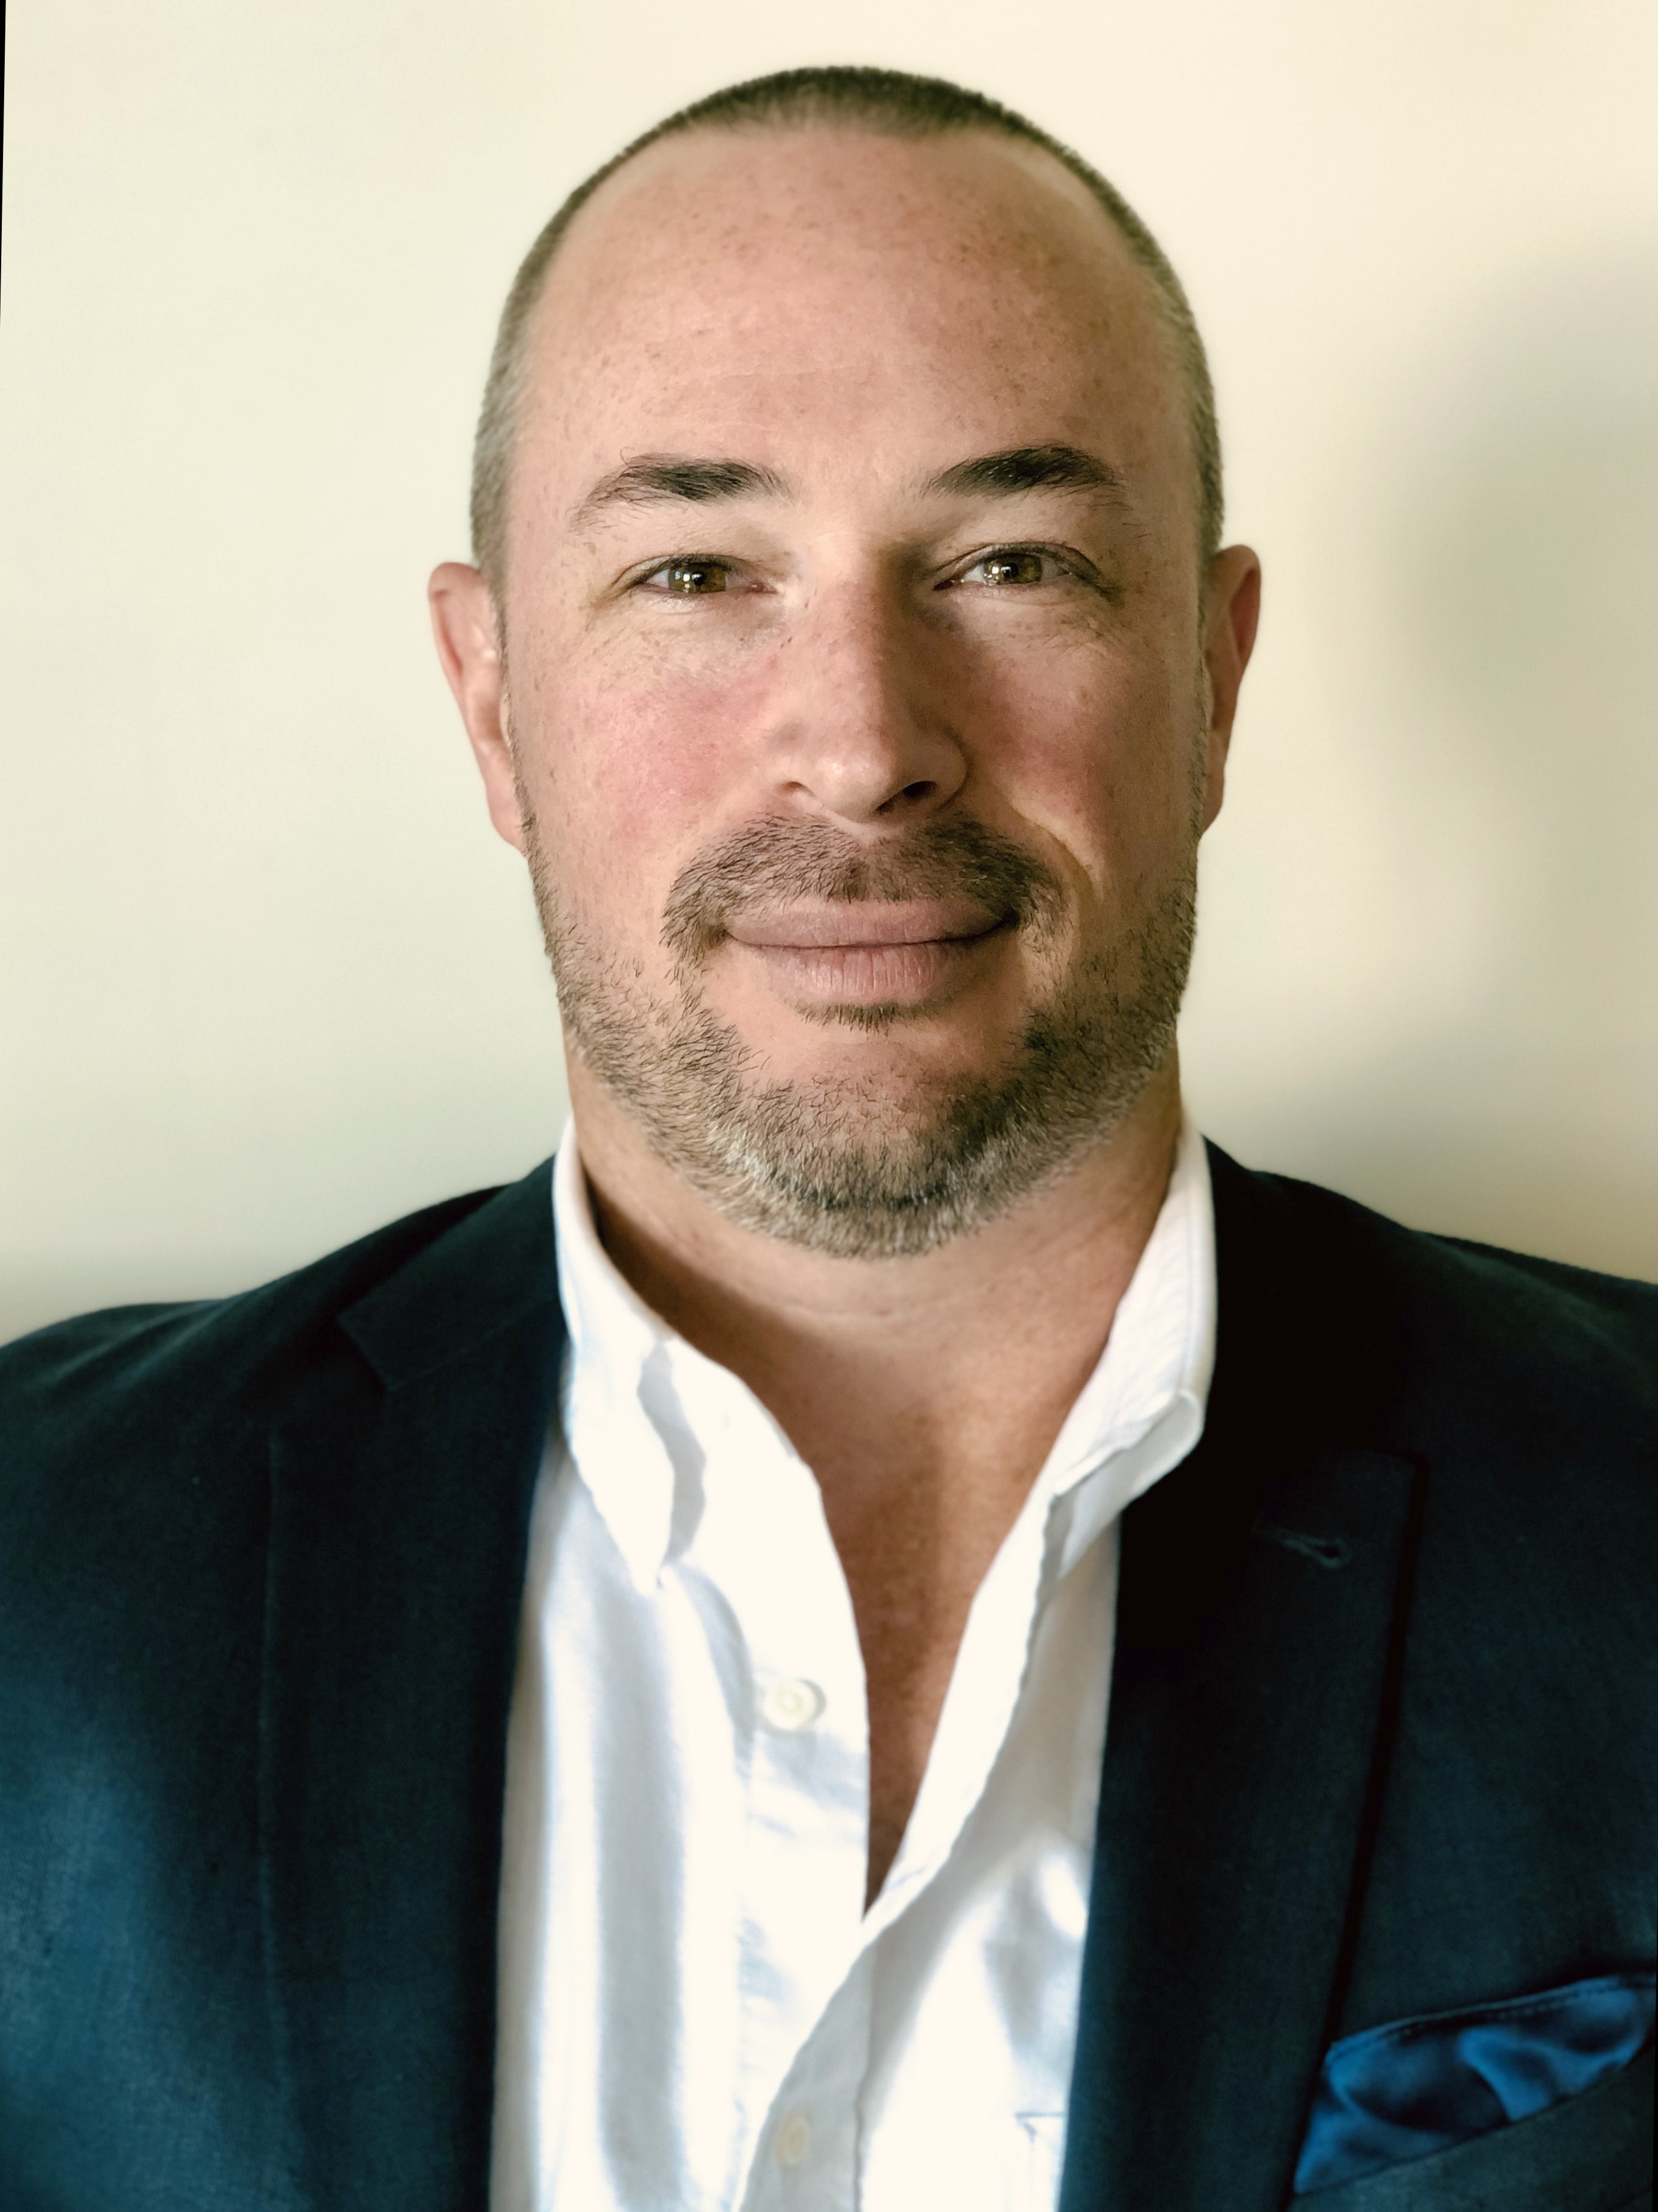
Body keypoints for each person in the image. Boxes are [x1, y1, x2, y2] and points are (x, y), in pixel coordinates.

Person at [1, 65, 1651, 2212]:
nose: (865, 745)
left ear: (1214, 681)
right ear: (493, 703)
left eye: (1012, 560)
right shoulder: (39, 1561)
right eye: (697, 570)